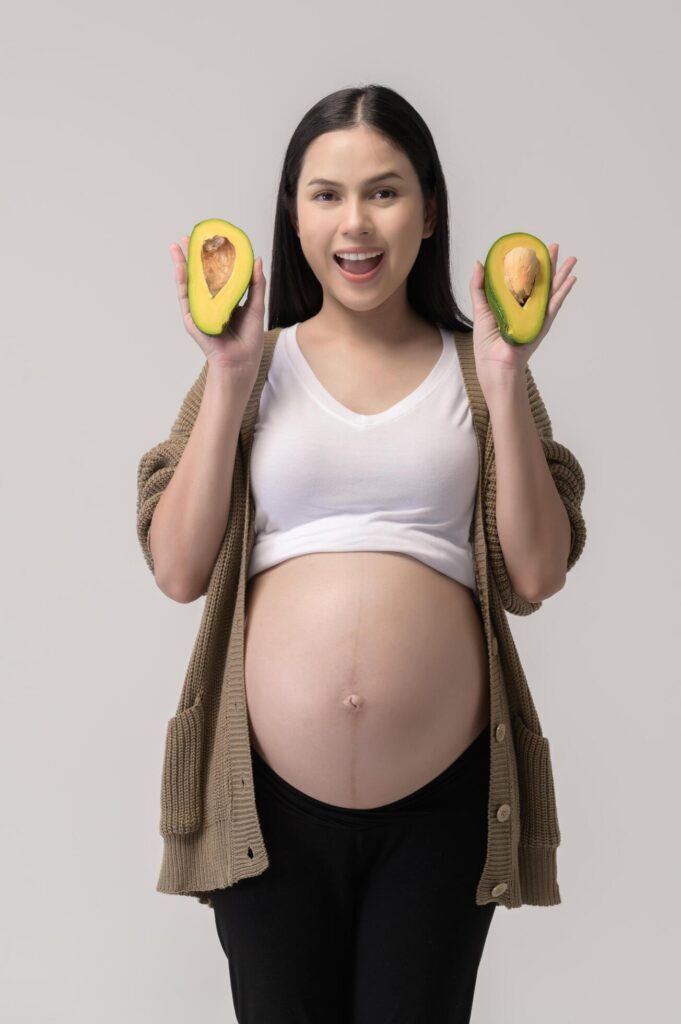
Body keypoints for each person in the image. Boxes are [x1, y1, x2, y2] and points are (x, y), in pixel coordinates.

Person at [142, 84, 583, 1024]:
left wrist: (507, 381)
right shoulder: (256, 366)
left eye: (384, 192)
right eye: (326, 194)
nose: (355, 222)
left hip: (443, 806)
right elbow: (178, 569)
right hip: (262, 804)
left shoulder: (479, 368)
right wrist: (225, 378)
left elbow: (537, 574)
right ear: (292, 218)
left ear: (428, 212)